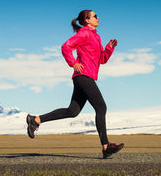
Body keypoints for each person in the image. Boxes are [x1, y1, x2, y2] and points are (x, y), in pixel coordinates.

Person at [26, 9, 124, 159]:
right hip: (83, 76)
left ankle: (35, 120)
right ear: (87, 20)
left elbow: (101, 60)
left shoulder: (96, 37)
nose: (98, 17)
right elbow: (66, 47)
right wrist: (73, 63)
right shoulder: (84, 33)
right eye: (95, 16)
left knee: (72, 111)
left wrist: (109, 48)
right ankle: (106, 146)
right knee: (101, 107)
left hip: (85, 76)